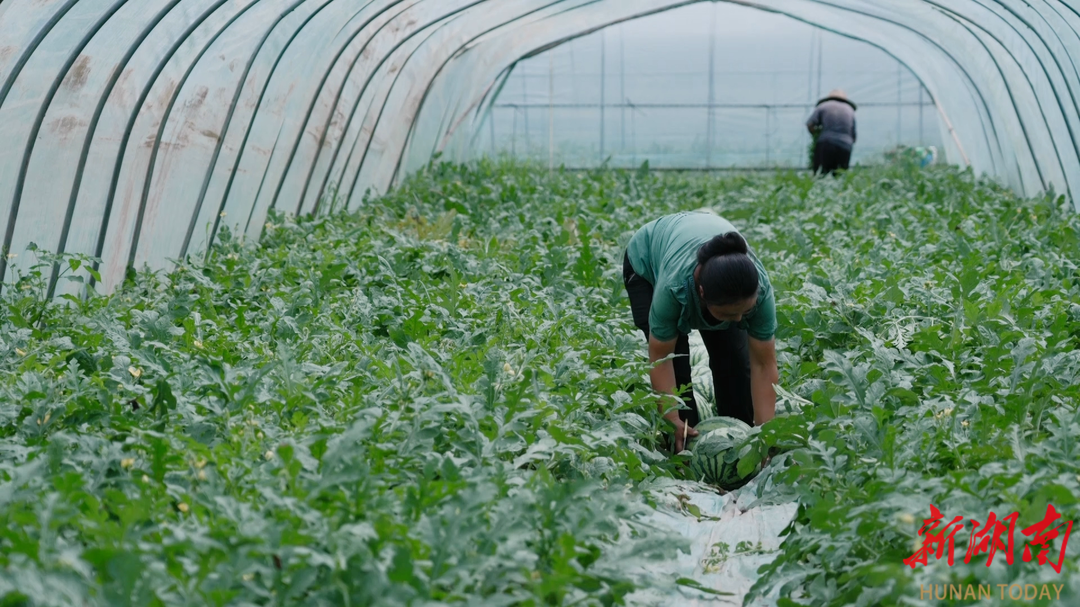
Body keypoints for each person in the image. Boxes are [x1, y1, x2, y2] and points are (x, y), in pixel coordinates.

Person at [623, 211, 779, 453]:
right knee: (678, 368)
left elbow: (763, 364)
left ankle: (740, 439)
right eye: (729, 314)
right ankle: (685, 448)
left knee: (735, 362)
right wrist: (672, 418)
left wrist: (764, 434)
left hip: (715, 277)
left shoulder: (760, 291)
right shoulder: (673, 288)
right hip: (646, 263)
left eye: (744, 311)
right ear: (702, 294)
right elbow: (662, 359)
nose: (739, 319)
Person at [807, 89, 857, 175]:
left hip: (826, 143)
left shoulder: (823, 106)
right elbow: (854, 136)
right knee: (840, 175)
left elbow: (810, 124)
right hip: (845, 145)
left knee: (821, 174)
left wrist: (815, 135)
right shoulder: (850, 110)